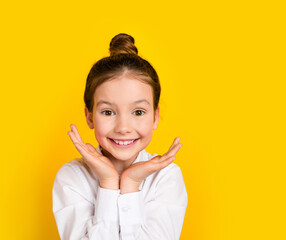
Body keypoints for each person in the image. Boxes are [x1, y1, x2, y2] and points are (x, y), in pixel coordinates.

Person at [52, 33, 188, 240]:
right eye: (108, 112)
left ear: (155, 117)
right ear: (89, 117)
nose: (123, 128)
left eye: (138, 112)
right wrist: (107, 182)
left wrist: (130, 184)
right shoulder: (73, 177)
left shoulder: (166, 177)